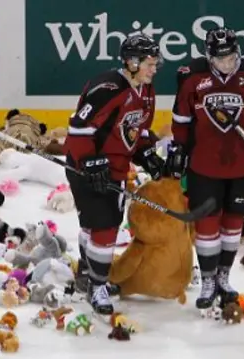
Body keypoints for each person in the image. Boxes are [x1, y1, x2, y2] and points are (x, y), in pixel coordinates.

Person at [166, 27, 244, 310]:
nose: (227, 64)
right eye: (221, 59)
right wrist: (180, 149)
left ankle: (223, 277)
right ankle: (207, 280)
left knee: (234, 222)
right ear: (209, 57)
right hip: (204, 165)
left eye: (231, 58)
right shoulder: (191, 76)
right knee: (207, 224)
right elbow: (181, 119)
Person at [63, 33, 164, 315]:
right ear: (132, 62)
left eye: (156, 63)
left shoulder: (146, 90)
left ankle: (87, 272)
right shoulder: (107, 87)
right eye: (149, 63)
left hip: (116, 168)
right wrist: (90, 163)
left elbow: (138, 130)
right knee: (105, 226)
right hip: (84, 166)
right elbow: (79, 127)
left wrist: (146, 153)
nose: (154, 69)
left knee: (94, 224)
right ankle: (98, 285)